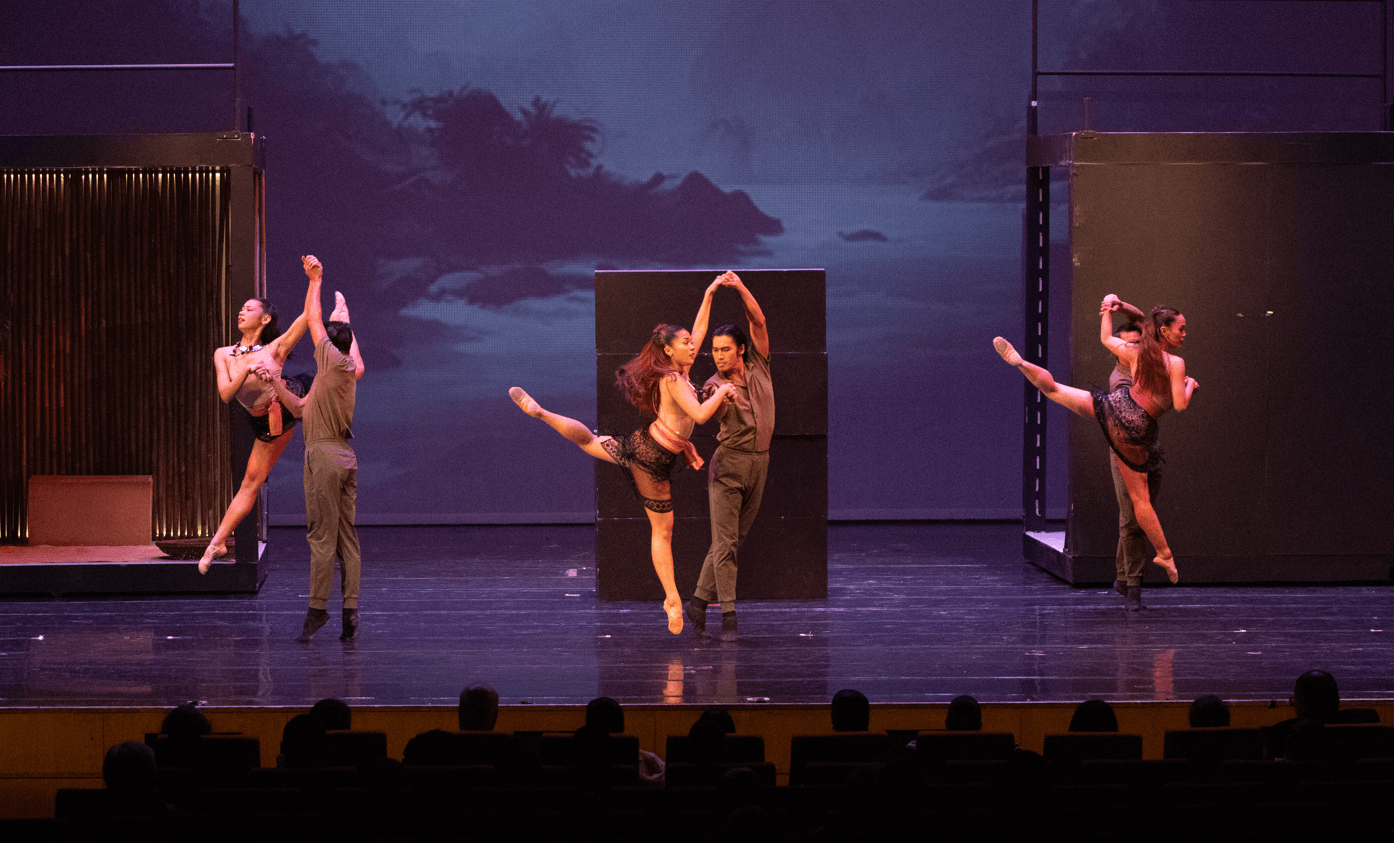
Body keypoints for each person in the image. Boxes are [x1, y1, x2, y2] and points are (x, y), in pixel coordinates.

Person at [509, 275, 737, 634]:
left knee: (589, 442)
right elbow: (700, 415)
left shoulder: (679, 370)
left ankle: (541, 413)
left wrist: (709, 295)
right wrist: (723, 391)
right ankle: (672, 598)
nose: (694, 347)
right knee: (662, 533)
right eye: (686, 344)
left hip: (646, 446)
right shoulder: (674, 380)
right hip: (651, 459)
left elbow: (699, 328)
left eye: (693, 343)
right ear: (668, 350)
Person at [994, 294, 1196, 584]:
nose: (1184, 334)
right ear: (1165, 331)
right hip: (1136, 429)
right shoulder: (1176, 364)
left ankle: (1021, 362)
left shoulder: (1133, 351)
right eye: (1181, 329)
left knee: (1053, 390)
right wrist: (1189, 386)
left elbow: (1106, 338)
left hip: (1115, 408)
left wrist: (1108, 309)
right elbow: (1179, 405)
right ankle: (1164, 553)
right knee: (1141, 500)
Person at [261, 256, 365, 642]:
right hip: (342, 456)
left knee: (321, 536)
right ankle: (350, 609)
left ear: (330, 349)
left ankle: (318, 609)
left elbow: (313, 318)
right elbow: (302, 409)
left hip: (323, 456)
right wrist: (276, 383)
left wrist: (315, 280)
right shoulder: (340, 375)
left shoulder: (332, 360)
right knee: (345, 538)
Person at [198, 273, 314, 572]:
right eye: (241, 309)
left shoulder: (274, 348)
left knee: (328, 382)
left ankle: (346, 359)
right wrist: (247, 370)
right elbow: (226, 394)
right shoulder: (223, 354)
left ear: (264, 320)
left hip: (286, 401)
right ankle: (218, 542)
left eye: (249, 309)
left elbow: (307, 317)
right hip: (264, 421)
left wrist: (315, 281)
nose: (242, 312)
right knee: (251, 483)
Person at [687, 272, 773, 642]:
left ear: (740, 349)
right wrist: (724, 399)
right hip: (729, 465)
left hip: (760, 462)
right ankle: (729, 617)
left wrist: (738, 288)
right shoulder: (713, 384)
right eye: (715, 350)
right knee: (725, 545)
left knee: (732, 541)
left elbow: (759, 321)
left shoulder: (759, 366)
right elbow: (711, 410)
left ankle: (697, 602)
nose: (718, 356)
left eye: (725, 349)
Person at [1103, 308, 1161, 611]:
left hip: (1151, 451)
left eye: (1138, 342)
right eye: (1127, 345)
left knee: (1136, 517)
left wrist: (1118, 304)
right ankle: (1133, 588)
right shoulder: (1120, 382)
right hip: (1126, 454)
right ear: (1117, 350)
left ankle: (1123, 578)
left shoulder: (1146, 364)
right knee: (1133, 518)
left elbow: (1141, 319)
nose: (1134, 348)